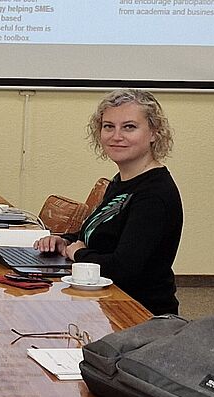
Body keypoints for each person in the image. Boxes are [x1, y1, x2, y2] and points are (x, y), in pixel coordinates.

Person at [35, 89, 183, 315]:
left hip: (138, 313)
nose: (116, 136)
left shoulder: (154, 194)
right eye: (108, 126)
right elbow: (99, 236)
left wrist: (78, 254)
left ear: (154, 132)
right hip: (105, 301)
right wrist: (64, 241)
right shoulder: (123, 181)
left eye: (129, 127)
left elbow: (123, 269)